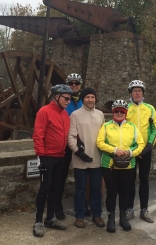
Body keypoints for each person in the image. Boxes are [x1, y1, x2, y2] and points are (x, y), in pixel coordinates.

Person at [96, 99, 145, 233]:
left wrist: (130, 152)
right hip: (109, 165)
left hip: (128, 164)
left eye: (121, 111)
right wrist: (114, 150)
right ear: (113, 112)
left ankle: (123, 217)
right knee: (111, 192)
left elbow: (141, 144)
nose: (119, 113)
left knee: (125, 192)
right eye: (116, 111)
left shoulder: (132, 127)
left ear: (126, 113)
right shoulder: (106, 126)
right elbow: (99, 142)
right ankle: (111, 218)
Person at [32, 84, 73, 238]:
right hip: (47, 157)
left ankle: (50, 218)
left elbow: (68, 135)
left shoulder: (65, 115)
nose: (68, 101)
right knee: (45, 188)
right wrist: (40, 156)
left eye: (70, 99)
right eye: (66, 98)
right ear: (56, 96)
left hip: (60, 157)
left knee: (56, 189)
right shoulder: (44, 111)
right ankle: (38, 221)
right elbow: (38, 135)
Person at [68, 87, 105, 229]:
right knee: (80, 189)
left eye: (92, 97)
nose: (90, 100)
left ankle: (97, 215)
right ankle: (80, 216)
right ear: (83, 99)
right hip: (80, 160)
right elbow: (71, 137)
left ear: (95, 99)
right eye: (88, 97)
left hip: (96, 158)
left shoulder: (100, 114)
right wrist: (78, 152)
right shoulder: (75, 115)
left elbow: (104, 135)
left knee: (96, 189)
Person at [56, 73, 89, 220]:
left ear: (80, 85)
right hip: (64, 144)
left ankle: (81, 206)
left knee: (82, 177)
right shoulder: (63, 101)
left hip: (81, 143)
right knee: (60, 177)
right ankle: (57, 207)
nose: (74, 85)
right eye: (71, 83)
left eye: (76, 83)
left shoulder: (85, 100)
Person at [125, 80, 156, 223]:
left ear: (143, 93)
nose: (137, 93)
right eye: (134, 90)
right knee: (129, 181)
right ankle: (129, 209)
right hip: (131, 151)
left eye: (139, 90)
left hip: (145, 150)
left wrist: (150, 144)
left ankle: (144, 209)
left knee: (144, 180)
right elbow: (122, 128)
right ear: (131, 93)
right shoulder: (126, 108)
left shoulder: (150, 108)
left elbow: (154, 128)